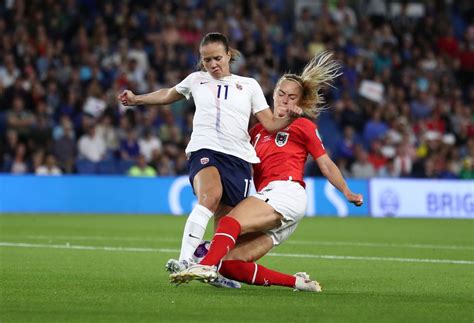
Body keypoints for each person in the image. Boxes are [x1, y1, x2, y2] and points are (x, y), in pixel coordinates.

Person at [169, 51, 364, 292]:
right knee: (230, 264)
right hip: (270, 204)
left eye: (292, 97)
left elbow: (325, 162)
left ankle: (205, 265)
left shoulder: (302, 125)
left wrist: (346, 191)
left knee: (230, 224)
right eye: (281, 94)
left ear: (300, 102)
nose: (285, 100)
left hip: (286, 193)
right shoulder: (256, 131)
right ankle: (300, 283)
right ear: (272, 95)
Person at [118, 33, 300, 278]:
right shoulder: (196, 80)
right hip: (205, 149)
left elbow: (270, 124)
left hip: (239, 159)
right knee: (209, 196)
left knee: (225, 223)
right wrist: (137, 99)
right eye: (206, 60)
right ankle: (185, 260)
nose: (212, 64)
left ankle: (213, 270)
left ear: (228, 55)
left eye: (216, 58)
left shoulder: (249, 85)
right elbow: (168, 94)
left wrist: (290, 116)